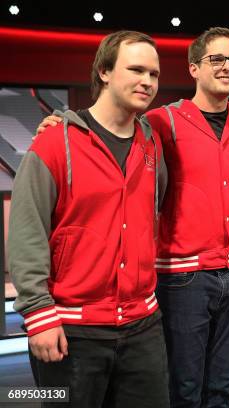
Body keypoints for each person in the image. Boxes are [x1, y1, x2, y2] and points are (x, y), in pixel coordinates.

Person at [35, 27, 229, 408]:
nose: (226, 67)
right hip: (183, 277)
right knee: (183, 390)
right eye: (216, 59)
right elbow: (105, 124)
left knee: (221, 390)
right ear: (193, 68)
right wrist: (61, 121)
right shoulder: (159, 123)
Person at [8, 30, 169, 407]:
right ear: (104, 72)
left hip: (142, 325)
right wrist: (39, 315)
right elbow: (26, 234)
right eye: (136, 70)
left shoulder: (151, 143)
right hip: (70, 329)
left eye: (154, 74)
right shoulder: (53, 143)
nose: (147, 82)